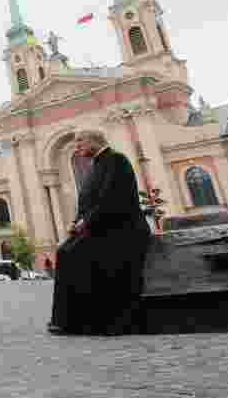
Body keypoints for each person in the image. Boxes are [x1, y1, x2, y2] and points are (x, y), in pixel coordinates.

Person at [48, 130, 151, 335]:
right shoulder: (97, 164)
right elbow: (88, 202)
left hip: (122, 228)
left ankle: (81, 322)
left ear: (94, 141)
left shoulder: (116, 160)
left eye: (80, 143)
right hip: (103, 226)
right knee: (65, 250)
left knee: (73, 254)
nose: (77, 148)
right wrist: (76, 222)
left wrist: (85, 222)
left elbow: (113, 199)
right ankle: (69, 320)